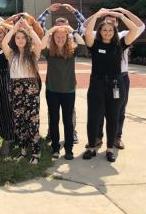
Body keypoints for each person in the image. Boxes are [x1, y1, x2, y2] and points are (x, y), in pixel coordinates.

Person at [82, 8, 144, 150]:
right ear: (100, 31)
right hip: (97, 83)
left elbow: (135, 29)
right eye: (104, 30)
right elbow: (86, 31)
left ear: (115, 30)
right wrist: (97, 15)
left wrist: (121, 15)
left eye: (110, 29)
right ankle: (93, 143)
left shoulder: (120, 43)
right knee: (95, 115)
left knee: (114, 115)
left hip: (117, 82)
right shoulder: (95, 44)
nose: (108, 32)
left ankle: (112, 145)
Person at [41, 25, 85, 160]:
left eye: (62, 37)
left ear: (67, 38)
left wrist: (72, 30)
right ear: (53, 38)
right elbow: (41, 45)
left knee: (68, 121)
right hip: (52, 90)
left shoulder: (72, 51)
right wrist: (49, 31)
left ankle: (69, 149)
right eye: (57, 37)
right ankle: (55, 148)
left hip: (69, 91)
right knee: (54, 120)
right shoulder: (49, 52)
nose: (60, 39)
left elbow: (83, 45)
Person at [2, 18, 42, 164]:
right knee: (19, 121)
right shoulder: (11, 54)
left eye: (23, 37)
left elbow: (39, 43)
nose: (20, 40)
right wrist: (13, 29)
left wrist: (28, 28)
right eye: (17, 38)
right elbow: (3, 43)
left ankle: (36, 152)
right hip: (15, 88)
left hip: (30, 88)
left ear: (27, 39)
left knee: (32, 120)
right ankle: (23, 150)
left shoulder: (33, 53)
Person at [0, 24, 15, 156]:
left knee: (8, 109)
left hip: (6, 79)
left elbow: (13, 29)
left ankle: (8, 139)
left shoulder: (9, 47)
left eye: (0, 33)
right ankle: (5, 135)